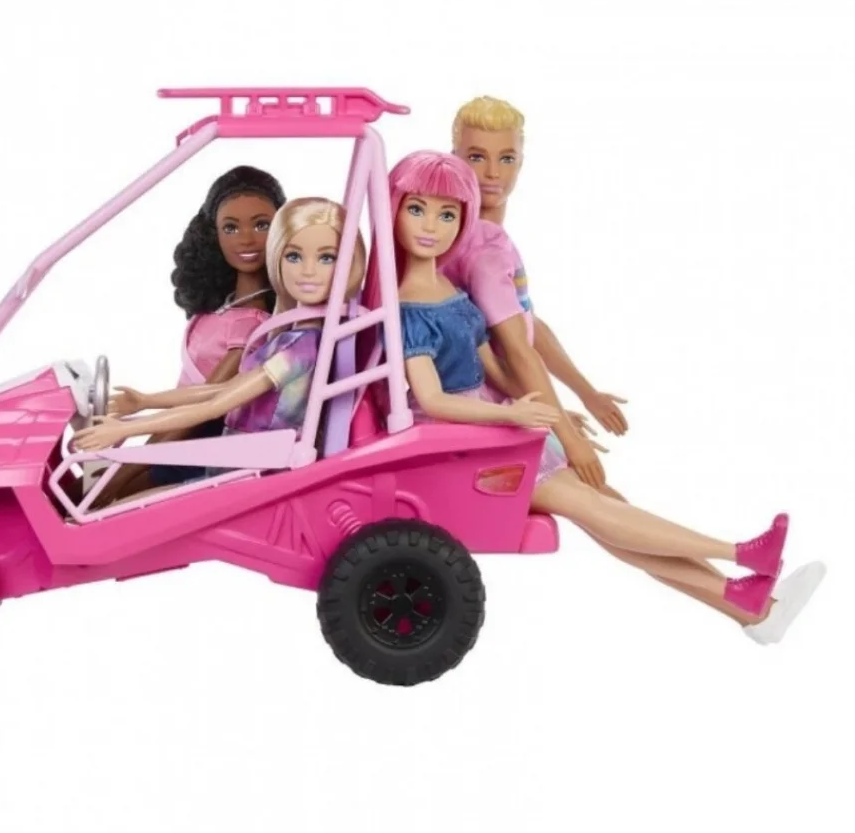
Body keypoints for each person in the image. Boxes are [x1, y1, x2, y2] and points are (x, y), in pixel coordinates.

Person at [444, 97, 825, 643]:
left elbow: (528, 325)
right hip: (495, 417)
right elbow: (510, 352)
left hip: (514, 405)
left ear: (523, 161)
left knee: (607, 510)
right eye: (476, 157)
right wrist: (564, 427)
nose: (493, 174)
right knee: (601, 510)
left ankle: (751, 607)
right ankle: (747, 577)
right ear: (454, 157)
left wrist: (585, 393)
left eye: (507, 159)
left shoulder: (489, 237)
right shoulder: (476, 245)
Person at [370, 149, 797, 622]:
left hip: (494, 427)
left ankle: (738, 594)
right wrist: (512, 414)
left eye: (447, 214)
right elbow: (431, 399)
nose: (431, 226)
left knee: (599, 512)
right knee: (594, 510)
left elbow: (490, 365)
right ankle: (740, 556)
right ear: (394, 211)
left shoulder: (451, 289)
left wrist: (541, 407)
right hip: (459, 447)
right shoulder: (406, 309)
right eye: (417, 209)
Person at [73, 197, 382, 485]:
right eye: (294, 256)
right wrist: (145, 401)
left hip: (253, 468)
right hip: (235, 455)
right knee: (134, 492)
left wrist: (128, 428)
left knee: (122, 511)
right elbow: (225, 389)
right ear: (277, 258)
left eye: (326, 258)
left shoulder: (301, 347)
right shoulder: (287, 334)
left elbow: (217, 405)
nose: (309, 271)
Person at [91, 165, 286, 507]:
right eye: (230, 227)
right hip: (168, 433)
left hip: (195, 441)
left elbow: (205, 407)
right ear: (214, 234)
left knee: (109, 501)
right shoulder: (223, 308)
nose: (246, 239)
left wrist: (115, 478)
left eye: (261, 225)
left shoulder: (251, 324)